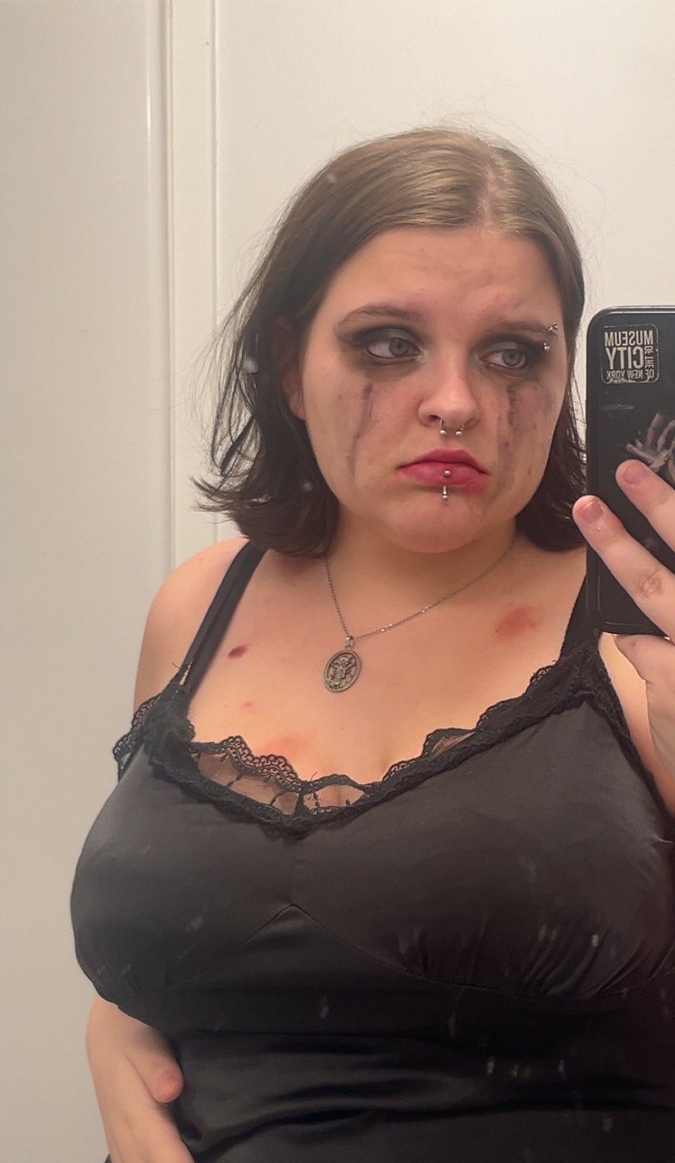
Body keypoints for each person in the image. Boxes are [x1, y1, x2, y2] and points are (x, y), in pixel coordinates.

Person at [71, 127, 675, 1163]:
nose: (456, 402)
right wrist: (114, 1020)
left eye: (512, 353)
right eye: (388, 344)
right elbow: (195, 917)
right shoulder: (198, 604)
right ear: (289, 365)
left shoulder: (642, 633)